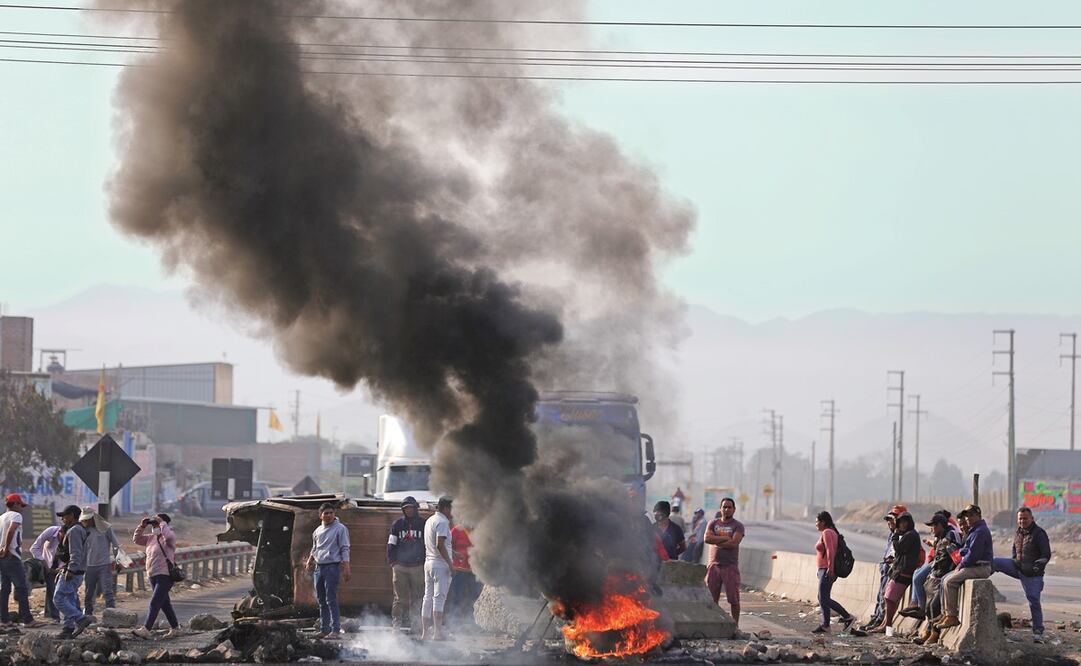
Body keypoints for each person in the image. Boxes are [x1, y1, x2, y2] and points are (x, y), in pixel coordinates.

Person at [992, 507, 1051, 643]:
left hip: (1032, 574)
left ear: (1032, 519)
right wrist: (1014, 559)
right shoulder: (1019, 532)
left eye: (1025, 518)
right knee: (994, 562)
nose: (1022, 521)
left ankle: (1038, 632)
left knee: (1033, 600)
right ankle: (978, 582)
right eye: (1020, 518)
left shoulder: (1039, 533)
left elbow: (1046, 554)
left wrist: (1038, 565)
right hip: (1017, 567)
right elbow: (1015, 548)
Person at [937, 504, 993, 630]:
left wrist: (961, 565)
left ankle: (952, 616)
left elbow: (973, 556)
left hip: (980, 568)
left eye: (971, 515)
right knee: (944, 579)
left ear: (979, 516)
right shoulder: (974, 530)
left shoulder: (980, 531)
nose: (968, 518)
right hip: (974, 566)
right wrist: (962, 553)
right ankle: (946, 614)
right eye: (967, 516)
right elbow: (966, 550)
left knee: (950, 582)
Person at [304, 502, 351, 640]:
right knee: (321, 600)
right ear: (321, 515)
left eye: (331, 512)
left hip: (332, 567)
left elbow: (344, 548)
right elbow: (315, 548)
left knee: (331, 599)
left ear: (334, 514)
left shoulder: (340, 529)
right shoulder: (317, 531)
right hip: (319, 568)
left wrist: (347, 567)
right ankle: (324, 629)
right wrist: (310, 560)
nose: (329, 515)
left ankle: (335, 630)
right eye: (326, 513)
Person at [913, 513, 961, 646]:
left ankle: (934, 635)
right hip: (935, 577)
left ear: (940, 525)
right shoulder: (940, 538)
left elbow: (957, 556)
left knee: (934, 606)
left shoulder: (951, 536)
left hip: (944, 578)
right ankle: (928, 632)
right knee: (929, 607)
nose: (931, 529)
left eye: (933, 526)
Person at [131, 514, 182, 639]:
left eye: (155, 524)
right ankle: (175, 628)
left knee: (154, 602)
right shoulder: (150, 538)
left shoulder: (169, 537)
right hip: (152, 574)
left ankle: (146, 629)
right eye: (153, 524)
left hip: (165, 575)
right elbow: (136, 540)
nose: (154, 526)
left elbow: (168, 536)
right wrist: (142, 526)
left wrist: (162, 523)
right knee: (165, 604)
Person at [871, 512, 920, 633]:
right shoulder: (908, 535)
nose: (903, 524)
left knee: (889, 598)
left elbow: (899, 549)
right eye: (901, 522)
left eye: (905, 522)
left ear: (909, 523)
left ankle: (887, 627)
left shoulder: (910, 535)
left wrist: (895, 535)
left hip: (904, 572)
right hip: (900, 570)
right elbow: (902, 553)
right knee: (889, 599)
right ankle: (885, 626)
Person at [30, 505, 80, 622]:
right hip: (47, 566)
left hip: (63, 569)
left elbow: (73, 555)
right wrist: (43, 562)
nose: (62, 540)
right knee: (53, 592)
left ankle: (75, 616)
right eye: (61, 537)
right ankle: (56, 617)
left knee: (68, 593)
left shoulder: (73, 535)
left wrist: (65, 568)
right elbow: (34, 548)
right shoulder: (51, 531)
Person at [0, 493, 41, 628]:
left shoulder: (1, 518)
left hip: (2, 558)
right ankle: (27, 619)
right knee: (21, 588)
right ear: (15, 504)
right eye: (21, 505)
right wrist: (7, 549)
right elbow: (11, 531)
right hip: (12, 557)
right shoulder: (16, 516)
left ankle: (4, 619)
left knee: (5, 589)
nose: (22, 508)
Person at [862, 504, 905, 630]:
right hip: (885, 570)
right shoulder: (892, 535)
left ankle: (881, 620)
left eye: (893, 519)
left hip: (894, 572)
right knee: (880, 595)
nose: (890, 522)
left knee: (885, 597)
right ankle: (876, 618)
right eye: (889, 519)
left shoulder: (903, 536)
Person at [813, 511, 856, 634]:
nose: (816, 524)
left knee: (824, 598)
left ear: (823, 522)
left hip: (827, 569)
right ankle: (825, 625)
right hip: (824, 569)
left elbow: (830, 551)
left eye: (817, 521)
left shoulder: (827, 532)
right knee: (822, 597)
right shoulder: (829, 532)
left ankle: (848, 617)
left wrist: (830, 569)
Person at [53, 507, 93, 638]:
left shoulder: (75, 530)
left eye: (64, 516)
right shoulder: (78, 529)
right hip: (77, 571)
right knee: (69, 600)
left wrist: (70, 569)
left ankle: (81, 619)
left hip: (73, 572)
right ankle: (68, 628)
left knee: (58, 599)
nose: (62, 519)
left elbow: (76, 553)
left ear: (72, 515)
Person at [386, 496, 425, 631]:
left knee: (418, 598)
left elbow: (429, 544)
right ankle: (396, 625)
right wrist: (393, 562)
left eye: (411, 508)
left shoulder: (423, 524)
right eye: (406, 508)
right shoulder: (397, 524)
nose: (409, 510)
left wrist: (424, 562)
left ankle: (417, 626)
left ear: (415, 508)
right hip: (400, 567)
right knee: (399, 599)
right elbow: (391, 544)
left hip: (418, 567)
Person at [704, 498, 745, 625]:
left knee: (733, 599)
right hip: (714, 565)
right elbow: (707, 538)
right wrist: (724, 538)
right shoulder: (713, 523)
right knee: (711, 599)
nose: (727, 509)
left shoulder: (738, 526)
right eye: (724, 507)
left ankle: (735, 625)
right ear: (720, 508)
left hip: (730, 566)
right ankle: (712, 624)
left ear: (734, 509)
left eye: (729, 507)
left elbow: (734, 543)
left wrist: (716, 540)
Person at [421, 497, 454, 641]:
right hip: (440, 565)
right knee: (438, 598)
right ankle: (437, 633)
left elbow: (440, 545)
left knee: (427, 598)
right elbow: (440, 544)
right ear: (446, 508)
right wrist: (451, 564)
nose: (453, 512)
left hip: (428, 562)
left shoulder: (430, 520)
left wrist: (454, 553)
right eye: (452, 509)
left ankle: (424, 633)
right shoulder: (443, 522)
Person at [79, 508, 120, 615]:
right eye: (84, 520)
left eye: (87, 520)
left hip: (104, 564)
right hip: (88, 565)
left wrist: (118, 559)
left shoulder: (106, 528)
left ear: (93, 518)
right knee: (89, 592)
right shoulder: (82, 530)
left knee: (107, 591)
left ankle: (112, 614)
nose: (85, 522)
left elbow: (115, 545)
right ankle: (88, 614)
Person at [447, 523, 482, 624]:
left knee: (474, 598)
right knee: (457, 597)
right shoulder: (456, 530)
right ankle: (454, 622)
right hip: (459, 570)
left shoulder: (479, 531)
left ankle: (472, 622)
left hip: (475, 571)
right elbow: (447, 546)